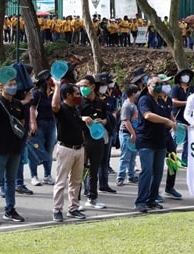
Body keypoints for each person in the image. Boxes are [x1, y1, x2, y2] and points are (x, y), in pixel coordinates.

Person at [0, 75, 27, 225]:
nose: (13, 87)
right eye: (10, 84)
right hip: (0, 147)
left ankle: (10, 209)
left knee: (11, 180)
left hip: (15, 147)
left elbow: (22, 122)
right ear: (2, 86)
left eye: (15, 84)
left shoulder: (17, 104)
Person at [135, 75, 177, 212]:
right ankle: (141, 201)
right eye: (156, 83)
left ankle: (152, 200)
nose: (159, 86)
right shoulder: (144, 99)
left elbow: (169, 116)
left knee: (158, 172)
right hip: (146, 141)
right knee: (147, 171)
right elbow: (147, 115)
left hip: (161, 141)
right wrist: (166, 121)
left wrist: (174, 124)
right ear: (148, 86)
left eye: (161, 83)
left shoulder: (161, 100)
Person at [51, 80, 87, 221]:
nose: (79, 96)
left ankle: (73, 208)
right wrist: (57, 86)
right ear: (68, 95)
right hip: (66, 148)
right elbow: (54, 105)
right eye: (76, 93)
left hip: (79, 149)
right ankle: (57, 209)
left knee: (76, 181)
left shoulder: (75, 109)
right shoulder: (62, 109)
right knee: (61, 181)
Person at [78, 75, 110, 210]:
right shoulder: (78, 102)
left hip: (97, 139)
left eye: (85, 86)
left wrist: (103, 121)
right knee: (80, 170)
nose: (82, 89)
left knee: (94, 169)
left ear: (92, 86)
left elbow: (106, 118)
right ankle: (76, 201)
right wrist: (83, 118)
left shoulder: (100, 103)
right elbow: (72, 117)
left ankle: (92, 198)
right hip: (83, 139)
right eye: (81, 86)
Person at [117, 83, 141, 186]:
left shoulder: (134, 105)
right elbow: (126, 120)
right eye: (137, 92)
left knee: (132, 156)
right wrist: (132, 133)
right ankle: (120, 177)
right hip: (127, 133)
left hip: (133, 133)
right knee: (125, 156)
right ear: (132, 94)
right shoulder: (127, 106)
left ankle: (131, 175)